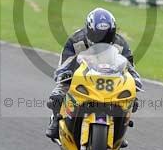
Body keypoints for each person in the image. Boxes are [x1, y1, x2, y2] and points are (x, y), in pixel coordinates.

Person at [45, 8, 141, 140]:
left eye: (107, 36)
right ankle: (57, 120)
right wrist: (64, 74)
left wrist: (135, 81)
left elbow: (130, 67)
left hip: (110, 79)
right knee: (56, 97)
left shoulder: (121, 44)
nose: (102, 40)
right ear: (89, 31)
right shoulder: (76, 40)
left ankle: (119, 132)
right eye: (98, 36)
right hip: (79, 77)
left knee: (132, 101)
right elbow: (64, 62)